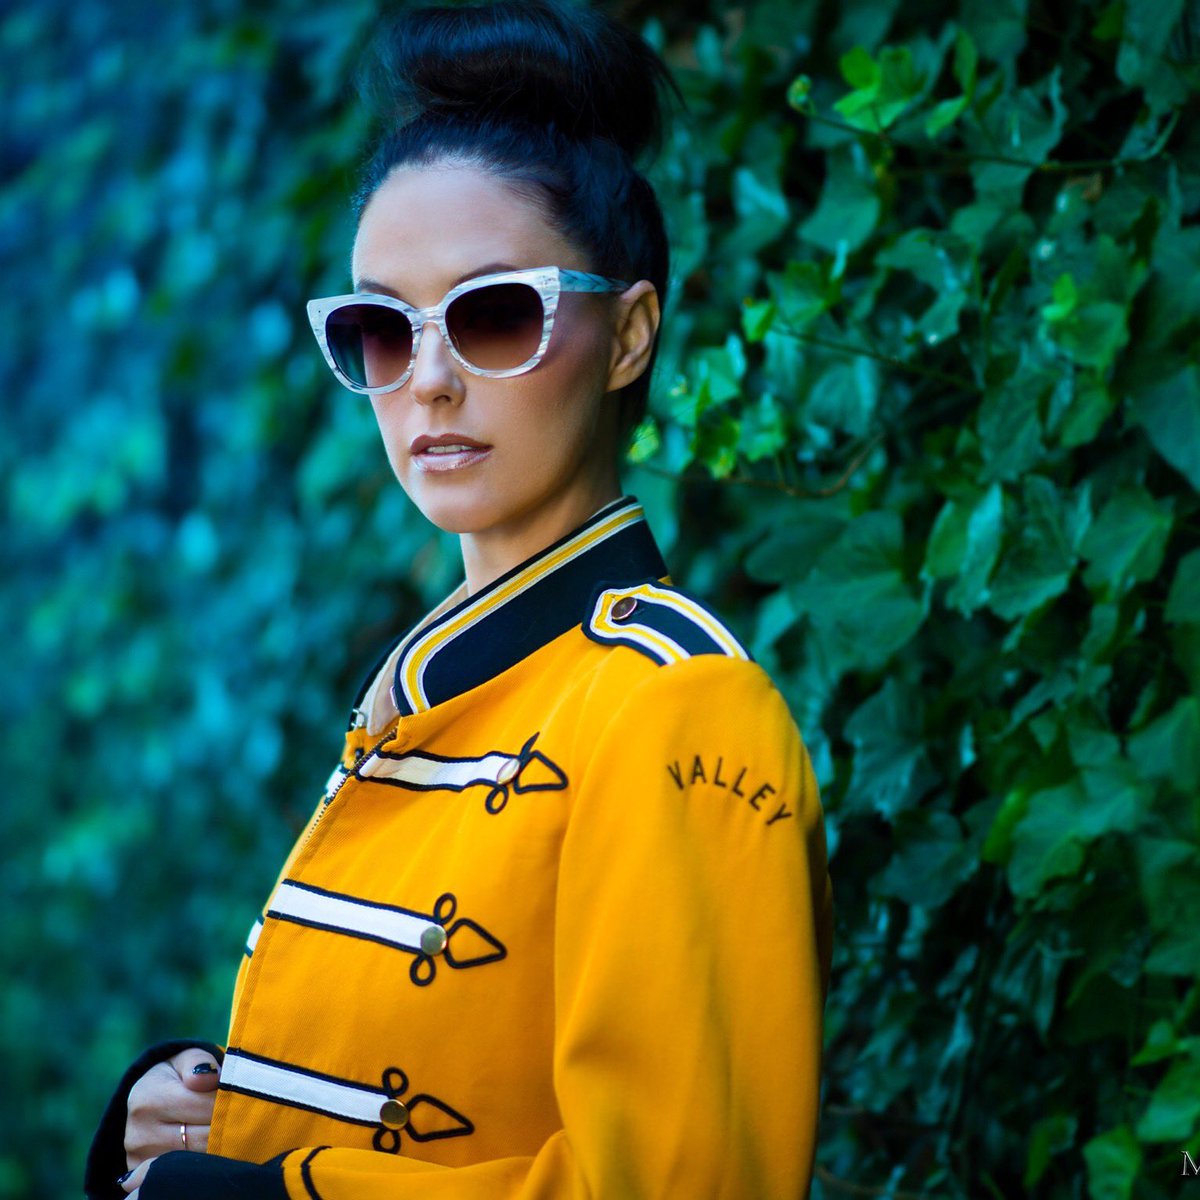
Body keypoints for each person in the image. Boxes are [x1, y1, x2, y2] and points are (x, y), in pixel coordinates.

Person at [84, 2, 833, 1196]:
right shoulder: (430, 691)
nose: (428, 380)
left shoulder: (676, 709)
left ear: (629, 335)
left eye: (495, 314)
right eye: (383, 328)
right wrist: (194, 1123)